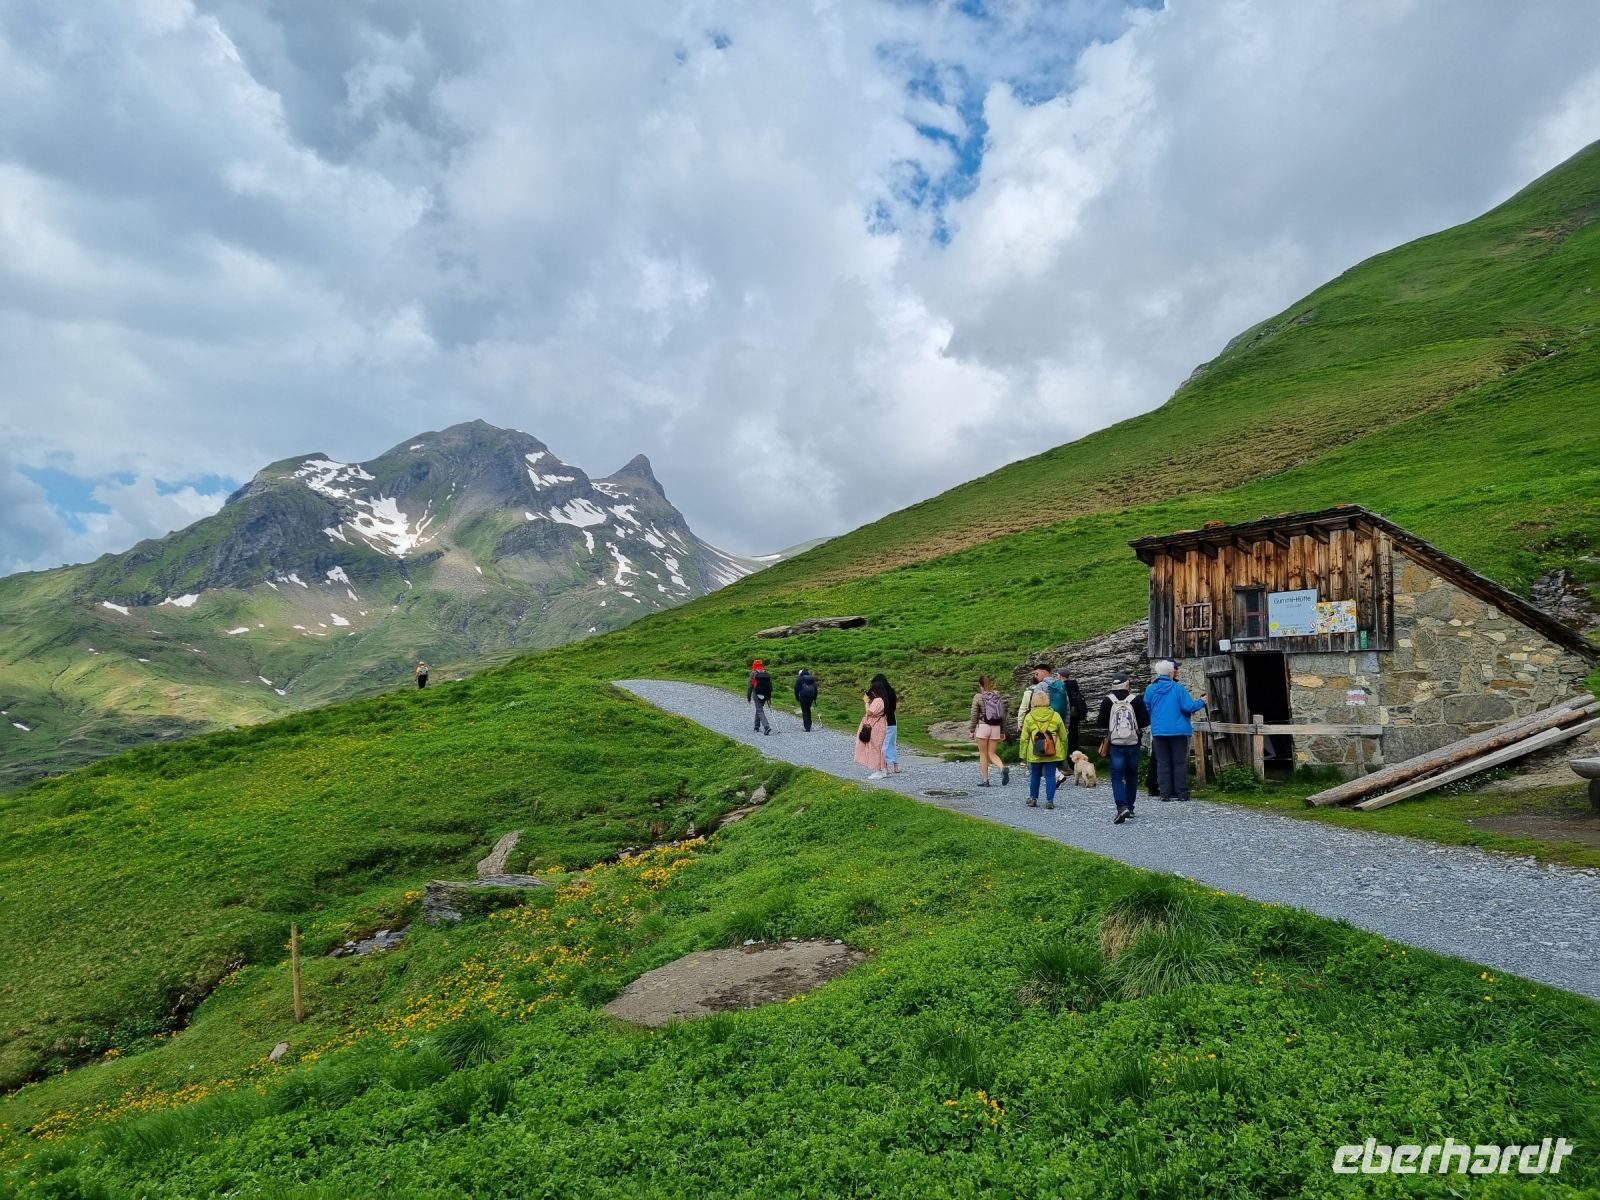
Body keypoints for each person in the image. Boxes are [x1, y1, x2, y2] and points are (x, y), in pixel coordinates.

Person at [1143, 660, 1206, 802]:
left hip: (1159, 731)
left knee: (1163, 762)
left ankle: (1165, 793)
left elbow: (1146, 709)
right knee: (1179, 762)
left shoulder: (1150, 689)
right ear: (1170, 672)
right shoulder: (1177, 688)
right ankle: (1181, 792)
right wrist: (1202, 701)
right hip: (1178, 731)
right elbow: (1189, 707)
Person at [1097, 674, 1150, 824]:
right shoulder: (1135, 699)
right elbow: (1145, 720)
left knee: (1116, 776)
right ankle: (1131, 807)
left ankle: (1122, 806)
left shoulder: (1108, 700)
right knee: (1131, 776)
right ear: (1127, 685)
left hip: (1115, 745)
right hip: (1133, 744)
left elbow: (1101, 722)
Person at [1018, 690, 1068, 808]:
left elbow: (1024, 738)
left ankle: (1033, 798)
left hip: (1034, 752)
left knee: (1035, 775)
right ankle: (1049, 800)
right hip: (1052, 752)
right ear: (1047, 701)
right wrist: (1064, 751)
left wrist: (1022, 754)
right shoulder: (1055, 715)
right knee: (1050, 776)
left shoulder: (1029, 717)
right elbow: (1063, 736)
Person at [968, 675, 1010, 787]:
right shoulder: (997, 695)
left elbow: (974, 714)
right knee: (992, 753)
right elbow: (1002, 714)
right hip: (995, 727)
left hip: (983, 726)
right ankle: (1002, 768)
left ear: (980, 685)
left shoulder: (978, 696)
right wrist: (1002, 730)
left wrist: (972, 730)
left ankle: (985, 780)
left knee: (983, 754)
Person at [1051, 665, 1089, 754]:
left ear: (1060, 676)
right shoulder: (1074, 685)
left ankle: (1066, 757)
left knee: (1065, 737)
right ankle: (1075, 756)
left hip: (1066, 715)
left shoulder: (1062, 687)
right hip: (1075, 714)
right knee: (1074, 736)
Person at [870, 673, 900, 775]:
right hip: (892, 720)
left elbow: (875, 710)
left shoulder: (881, 697)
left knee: (884, 744)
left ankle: (885, 766)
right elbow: (893, 708)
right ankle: (895, 766)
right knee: (891, 743)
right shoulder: (891, 692)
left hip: (885, 721)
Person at [855, 686, 888, 779]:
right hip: (880, 725)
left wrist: (866, 702)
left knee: (876, 747)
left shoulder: (878, 700)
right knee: (879, 747)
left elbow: (869, 712)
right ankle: (883, 769)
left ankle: (879, 770)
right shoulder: (883, 700)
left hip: (876, 727)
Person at [1015, 663, 1052, 730]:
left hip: (1035, 724)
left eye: (1036, 674)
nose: (1035, 676)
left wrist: (1020, 725)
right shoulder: (1058, 686)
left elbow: (1023, 709)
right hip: (1053, 722)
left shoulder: (1029, 691)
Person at [747, 659, 774, 735]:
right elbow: (770, 685)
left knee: (759, 710)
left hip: (756, 694)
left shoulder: (753, 673)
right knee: (759, 709)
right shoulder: (765, 672)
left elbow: (750, 686)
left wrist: (748, 696)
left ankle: (766, 726)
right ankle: (756, 727)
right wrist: (769, 696)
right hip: (765, 694)